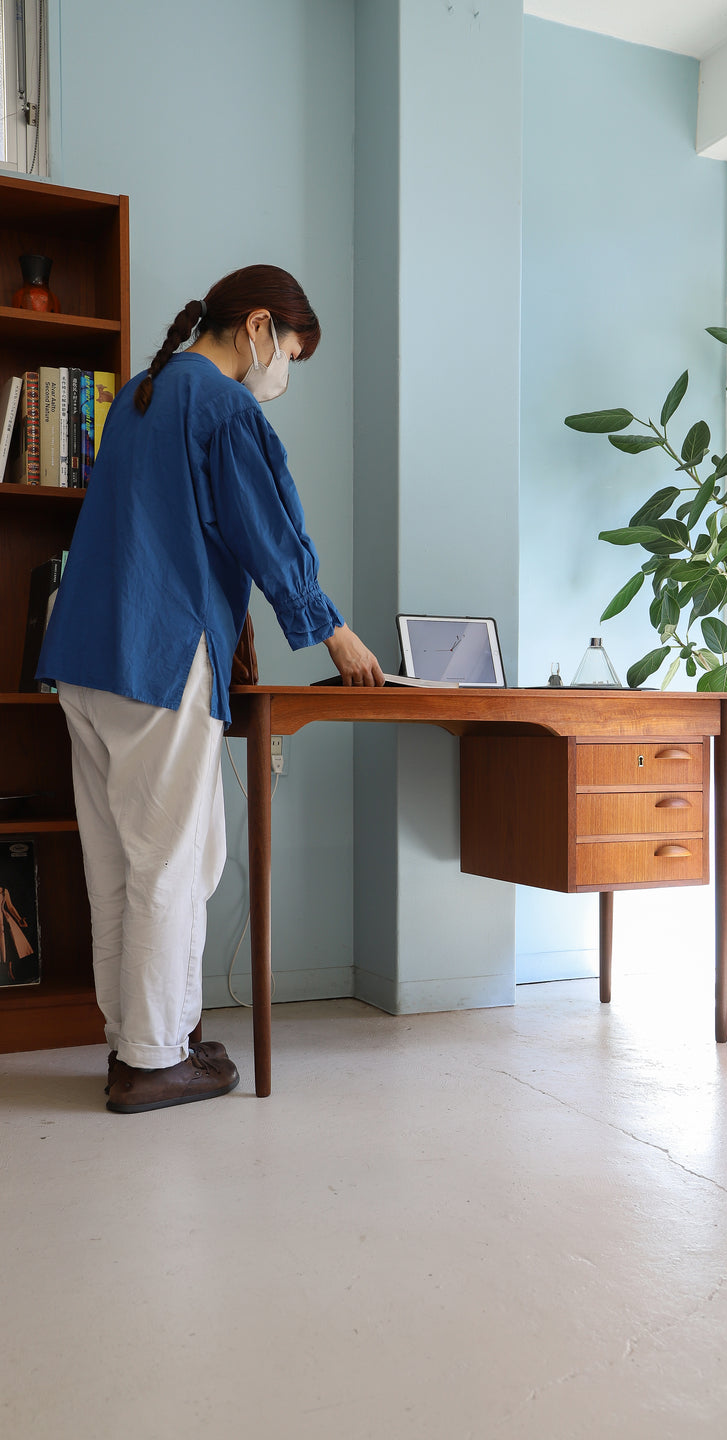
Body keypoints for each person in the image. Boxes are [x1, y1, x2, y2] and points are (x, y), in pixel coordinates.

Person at [37, 264, 383, 1114]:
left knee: (117, 864)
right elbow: (268, 533)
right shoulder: (222, 406)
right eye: (289, 352)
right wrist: (335, 632)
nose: (284, 371)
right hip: (158, 653)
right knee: (172, 862)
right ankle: (156, 1061)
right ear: (258, 326)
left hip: (84, 654)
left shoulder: (138, 396)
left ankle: (139, 1043)